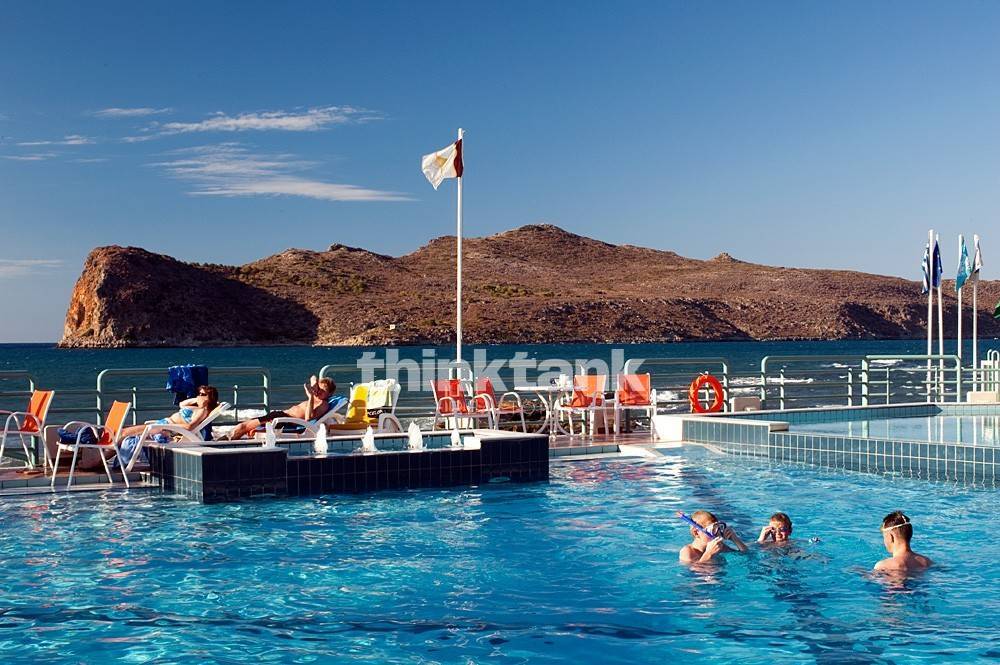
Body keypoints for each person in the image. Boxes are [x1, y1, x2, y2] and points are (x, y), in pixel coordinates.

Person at [224, 376, 335, 440]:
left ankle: (224, 443)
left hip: (285, 420)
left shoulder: (323, 404)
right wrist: (314, 383)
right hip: (280, 416)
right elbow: (313, 377)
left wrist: (310, 397)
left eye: (323, 390)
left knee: (244, 426)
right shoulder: (316, 398)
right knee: (245, 425)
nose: (319, 391)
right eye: (319, 388)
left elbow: (308, 418)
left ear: (330, 394)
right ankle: (225, 441)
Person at [120, 385, 219, 438]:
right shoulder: (196, 408)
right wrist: (196, 399)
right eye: (199, 393)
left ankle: (109, 461)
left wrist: (167, 426)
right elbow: (182, 404)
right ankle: (109, 459)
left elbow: (189, 427)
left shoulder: (202, 411)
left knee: (123, 433)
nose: (199, 396)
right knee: (122, 435)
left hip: (166, 428)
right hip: (164, 424)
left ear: (210, 398)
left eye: (203, 394)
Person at [679, 510, 748, 564]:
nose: (717, 534)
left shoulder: (720, 547)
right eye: (713, 530)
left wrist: (735, 539)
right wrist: (709, 554)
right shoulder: (687, 552)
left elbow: (745, 554)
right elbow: (695, 573)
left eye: (718, 528)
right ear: (696, 532)